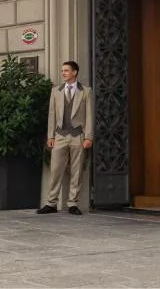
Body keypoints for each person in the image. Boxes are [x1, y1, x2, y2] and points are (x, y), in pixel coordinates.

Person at [38, 60, 94, 215]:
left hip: (78, 136)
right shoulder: (56, 91)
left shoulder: (86, 91)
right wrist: (50, 136)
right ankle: (51, 203)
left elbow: (89, 115)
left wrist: (88, 137)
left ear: (74, 72)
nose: (63, 73)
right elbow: (52, 115)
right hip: (60, 135)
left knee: (77, 171)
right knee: (56, 169)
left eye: (66, 71)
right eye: (62, 71)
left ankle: (72, 204)